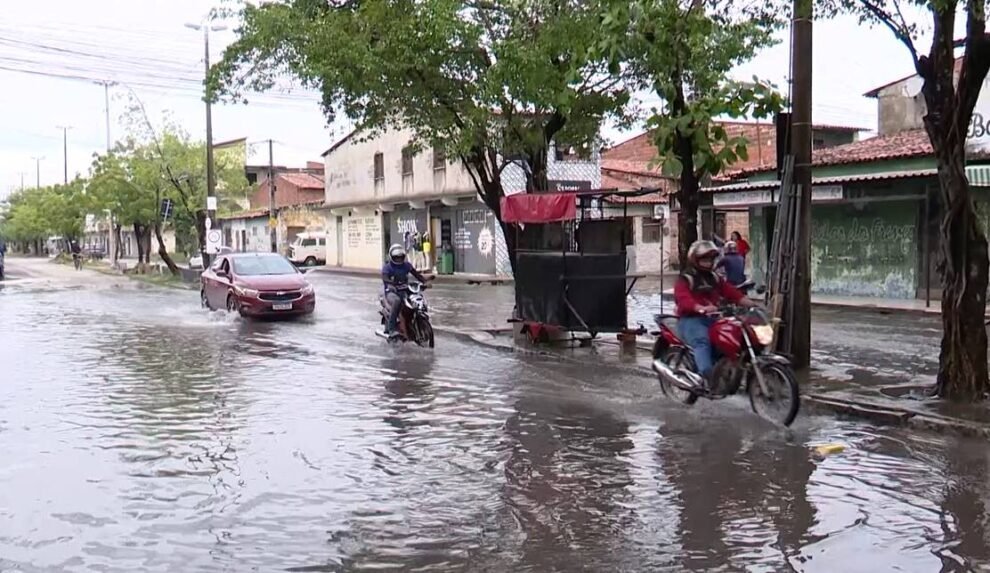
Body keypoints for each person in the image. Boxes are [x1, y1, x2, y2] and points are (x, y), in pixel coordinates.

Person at [674, 240, 757, 386]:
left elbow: (731, 292)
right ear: (695, 259)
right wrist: (699, 307)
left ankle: (726, 369)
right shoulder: (686, 278)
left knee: (731, 336)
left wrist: (750, 303)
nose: (708, 263)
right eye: (704, 259)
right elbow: (683, 299)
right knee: (702, 341)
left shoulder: (715, 278)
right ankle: (706, 375)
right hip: (691, 320)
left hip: (713, 319)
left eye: (710, 259)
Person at [382, 243, 429, 337]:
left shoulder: (407, 265)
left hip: (405, 289)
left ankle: (416, 320)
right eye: (396, 257)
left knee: (417, 298)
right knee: (397, 301)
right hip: (392, 291)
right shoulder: (387, 267)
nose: (399, 259)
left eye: (400, 257)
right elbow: (385, 278)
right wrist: (392, 283)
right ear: (392, 257)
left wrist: (424, 282)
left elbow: (417, 275)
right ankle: (391, 329)